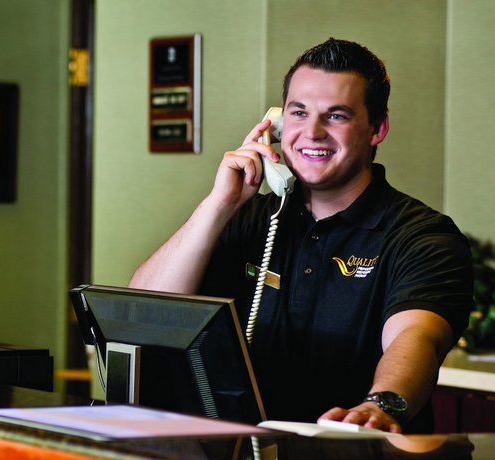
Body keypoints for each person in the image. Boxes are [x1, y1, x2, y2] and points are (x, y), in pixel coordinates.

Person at [129, 38, 473, 434]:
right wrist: (217, 206)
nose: (312, 132)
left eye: (336, 116)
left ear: (377, 128)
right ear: (276, 124)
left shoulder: (422, 237)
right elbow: (143, 317)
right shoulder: (248, 220)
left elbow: (416, 337)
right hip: (247, 449)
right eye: (298, 112)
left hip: (354, 447)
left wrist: (382, 405)